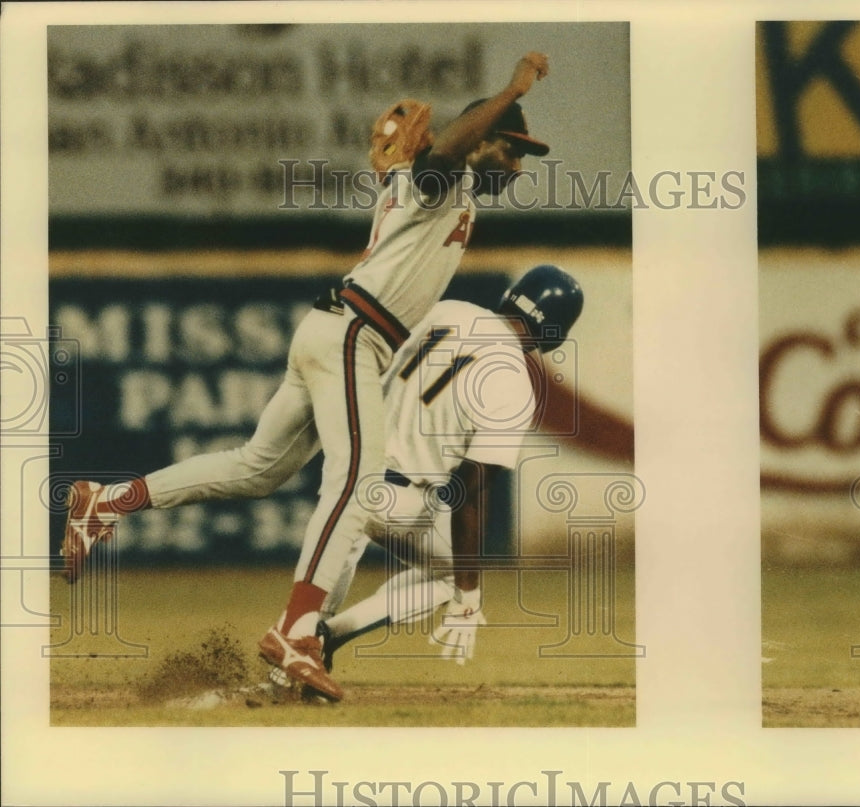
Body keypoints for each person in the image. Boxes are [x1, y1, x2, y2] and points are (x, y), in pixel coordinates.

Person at [60, 52, 551, 703]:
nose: (518, 167)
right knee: (357, 482)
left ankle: (108, 500)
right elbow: (449, 152)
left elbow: (445, 155)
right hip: (354, 333)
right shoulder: (442, 181)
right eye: (511, 151)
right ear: (480, 139)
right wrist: (511, 88)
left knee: (257, 466)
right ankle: (297, 629)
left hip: (335, 330)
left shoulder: (439, 186)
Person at [310, 264, 584, 681]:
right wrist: (468, 596)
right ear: (555, 331)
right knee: (449, 576)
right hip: (399, 500)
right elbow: (470, 491)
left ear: (512, 296)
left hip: (345, 469)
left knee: (314, 597)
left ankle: (305, 641)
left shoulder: (447, 311)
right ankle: (327, 637)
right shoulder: (513, 382)